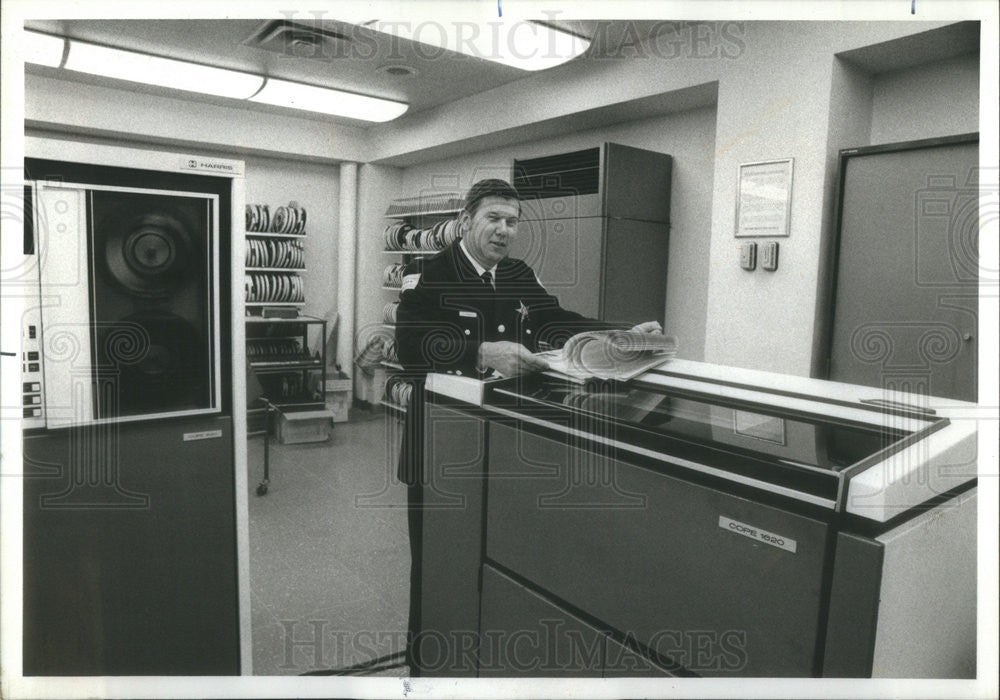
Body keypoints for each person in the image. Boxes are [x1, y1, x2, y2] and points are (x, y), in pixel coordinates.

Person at [393, 178, 662, 674]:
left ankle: (477, 668)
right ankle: (426, 671)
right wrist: (479, 351)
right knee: (437, 568)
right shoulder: (427, 275)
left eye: (512, 222)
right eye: (493, 218)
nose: (503, 230)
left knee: (489, 564)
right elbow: (410, 347)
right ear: (468, 219)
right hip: (440, 450)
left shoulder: (519, 274)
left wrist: (621, 333)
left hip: (501, 445)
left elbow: (556, 321)